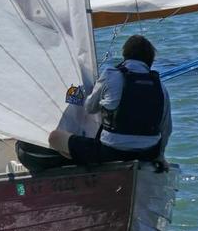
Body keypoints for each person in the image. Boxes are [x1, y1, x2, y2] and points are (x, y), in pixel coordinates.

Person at [48, 34, 172, 167]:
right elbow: (166, 128)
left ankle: (85, 166)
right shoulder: (160, 87)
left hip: (111, 152)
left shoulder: (111, 75)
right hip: (147, 154)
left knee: (54, 137)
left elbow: (90, 108)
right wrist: (160, 156)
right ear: (150, 61)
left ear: (125, 55)